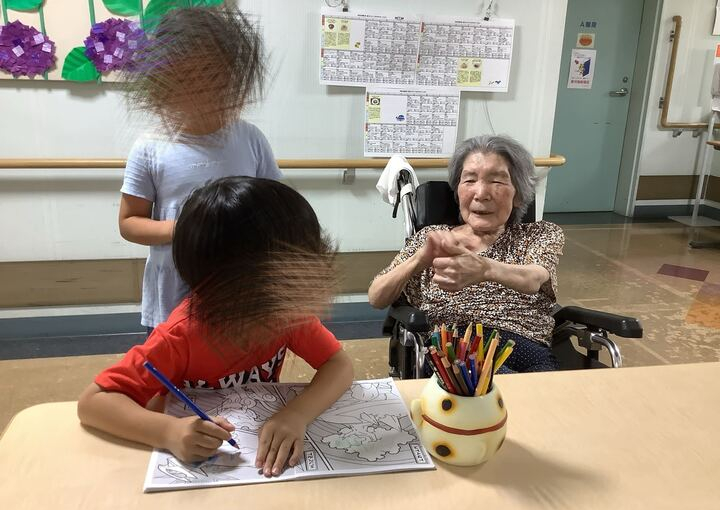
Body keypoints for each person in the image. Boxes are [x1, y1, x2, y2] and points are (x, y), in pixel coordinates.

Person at [78, 177, 354, 477]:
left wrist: (297, 414)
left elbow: (338, 364)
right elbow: (93, 403)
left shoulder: (287, 314)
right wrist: (169, 431)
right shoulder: (180, 337)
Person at [119, 6, 281, 331]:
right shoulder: (150, 147)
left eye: (213, 76)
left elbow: (277, 210)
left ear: (233, 77)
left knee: (235, 359)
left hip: (239, 289)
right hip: (172, 296)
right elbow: (129, 223)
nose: (202, 90)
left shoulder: (250, 139)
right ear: (165, 83)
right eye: (187, 78)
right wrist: (187, 229)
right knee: (171, 360)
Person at [368, 135, 565, 373]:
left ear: (519, 194)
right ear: (458, 191)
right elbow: (376, 297)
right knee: (497, 388)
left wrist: (485, 269)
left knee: (547, 389)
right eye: (470, 180)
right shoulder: (432, 237)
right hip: (456, 346)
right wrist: (418, 259)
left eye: (497, 181)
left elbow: (534, 278)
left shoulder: (538, 234)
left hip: (527, 345)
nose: (481, 193)